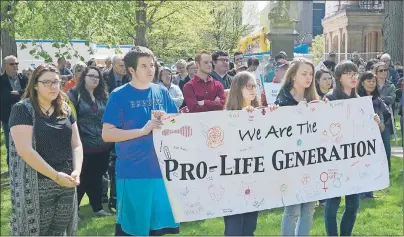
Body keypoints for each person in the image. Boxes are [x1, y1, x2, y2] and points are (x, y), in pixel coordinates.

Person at [102, 46, 179, 236]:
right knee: (133, 229)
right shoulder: (118, 95)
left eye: (152, 65)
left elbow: (176, 124)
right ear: (131, 70)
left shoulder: (161, 92)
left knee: (158, 229)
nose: (150, 69)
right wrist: (142, 131)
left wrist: (168, 120)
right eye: (144, 66)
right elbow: (107, 134)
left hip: (161, 171)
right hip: (133, 171)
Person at [8, 64, 82, 235]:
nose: (53, 86)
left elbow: (76, 144)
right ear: (35, 84)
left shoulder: (65, 109)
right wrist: (55, 176)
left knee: (59, 233)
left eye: (56, 82)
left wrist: (77, 171)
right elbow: (25, 150)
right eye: (46, 82)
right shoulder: (22, 109)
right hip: (36, 185)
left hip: (66, 182)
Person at [324, 60, 381, 236]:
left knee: (353, 205)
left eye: (355, 73)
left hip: (354, 160)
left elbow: (368, 130)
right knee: (332, 203)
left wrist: (375, 123)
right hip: (335, 159)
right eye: (348, 73)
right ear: (339, 78)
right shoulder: (330, 99)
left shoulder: (361, 101)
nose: (353, 76)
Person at [275, 58, 319, 236]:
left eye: (311, 74)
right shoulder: (282, 99)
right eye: (304, 73)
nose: (308, 78)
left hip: (311, 160)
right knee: (292, 210)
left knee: (309, 209)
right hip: (290, 161)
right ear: (293, 76)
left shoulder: (314, 98)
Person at [67, 66, 113, 217]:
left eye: (97, 77)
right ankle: (74, 210)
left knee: (97, 177)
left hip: (103, 145)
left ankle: (98, 208)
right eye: (91, 76)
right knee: (83, 179)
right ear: (83, 77)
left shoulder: (103, 96)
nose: (95, 79)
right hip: (84, 145)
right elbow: (70, 119)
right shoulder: (74, 94)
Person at [223, 71, 260, 236]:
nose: (253, 89)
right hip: (233, 179)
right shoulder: (226, 117)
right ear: (238, 89)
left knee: (250, 226)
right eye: (249, 86)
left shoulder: (261, 114)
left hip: (254, 177)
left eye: (255, 86)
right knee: (234, 226)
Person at [357, 71, 390, 199]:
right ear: (362, 82)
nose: (371, 83)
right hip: (360, 135)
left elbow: (387, 114)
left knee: (372, 162)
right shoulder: (357, 98)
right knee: (361, 163)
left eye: (373, 81)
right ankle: (360, 192)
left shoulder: (377, 99)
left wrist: (382, 124)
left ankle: (369, 192)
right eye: (369, 81)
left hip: (375, 135)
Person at [0, 55, 28, 167]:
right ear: (5, 66)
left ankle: (25, 167)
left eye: (16, 63)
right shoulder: (1, 80)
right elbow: (5, 97)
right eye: (12, 64)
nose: (15, 66)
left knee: (26, 143)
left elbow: (29, 93)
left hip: (25, 117)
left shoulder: (24, 78)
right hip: (8, 117)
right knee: (9, 145)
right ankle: (12, 169)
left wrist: (18, 93)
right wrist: (21, 94)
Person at [373, 62, 396, 172]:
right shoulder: (373, 84)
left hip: (385, 118)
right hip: (373, 117)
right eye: (381, 70)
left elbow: (391, 99)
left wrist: (379, 99)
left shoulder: (390, 85)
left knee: (386, 144)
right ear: (376, 73)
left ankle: (388, 169)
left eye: (385, 70)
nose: (383, 72)